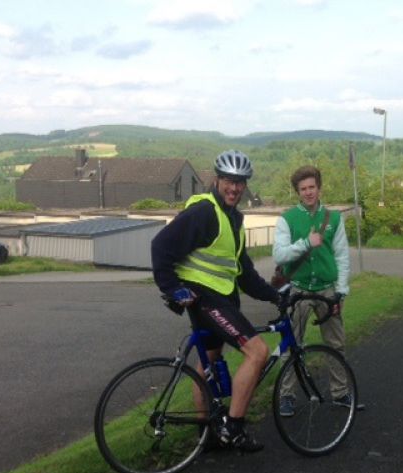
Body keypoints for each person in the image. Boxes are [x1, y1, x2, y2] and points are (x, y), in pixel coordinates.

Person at [151, 149, 282, 452]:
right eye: (228, 181)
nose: (234, 188)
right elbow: (160, 245)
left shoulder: (233, 218)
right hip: (205, 300)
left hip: (219, 299)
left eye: (240, 182)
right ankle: (233, 428)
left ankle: (206, 434)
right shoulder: (204, 212)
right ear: (217, 180)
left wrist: (274, 295)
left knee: (208, 363)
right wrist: (171, 288)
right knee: (258, 352)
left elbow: (243, 272)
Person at [273, 164, 361, 416]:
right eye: (303, 189)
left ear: (319, 188)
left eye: (312, 187)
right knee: (291, 345)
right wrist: (305, 243)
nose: (308, 192)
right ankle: (286, 395)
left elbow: (342, 256)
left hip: (327, 290)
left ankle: (340, 392)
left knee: (336, 344)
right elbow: (279, 254)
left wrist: (341, 291)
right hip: (298, 290)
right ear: (297, 192)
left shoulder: (334, 218)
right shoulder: (287, 219)